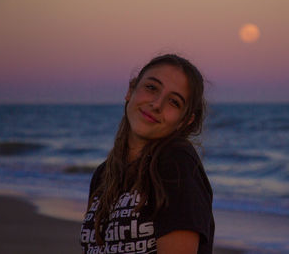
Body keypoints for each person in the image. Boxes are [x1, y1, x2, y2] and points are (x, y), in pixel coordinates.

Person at [80, 54, 214, 254]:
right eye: (151, 88)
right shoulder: (103, 174)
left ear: (185, 121)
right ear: (131, 90)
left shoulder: (177, 163)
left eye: (174, 102)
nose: (157, 104)